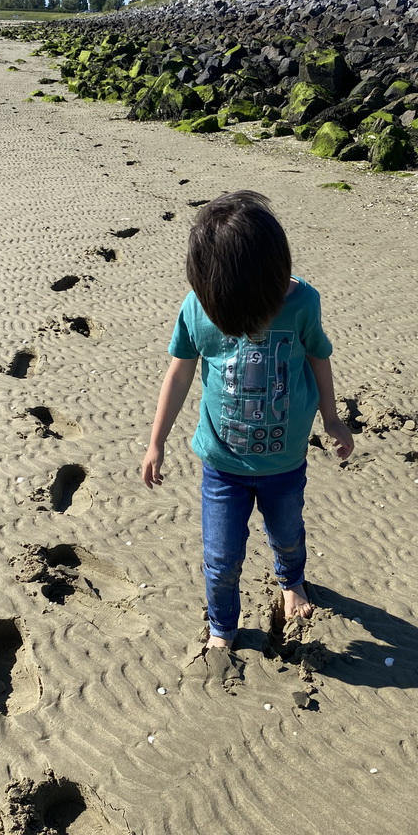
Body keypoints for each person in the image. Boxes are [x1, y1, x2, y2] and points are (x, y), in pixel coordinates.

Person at [141, 190, 354, 650]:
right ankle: (222, 625)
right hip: (222, 466)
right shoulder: (199, 308)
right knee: (220, 558)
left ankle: (290, 580)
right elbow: (178, 373)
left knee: (288, 534)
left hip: (286, 462)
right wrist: (156, 441)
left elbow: (318, 356)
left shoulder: (301, 303)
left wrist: (332, 419)